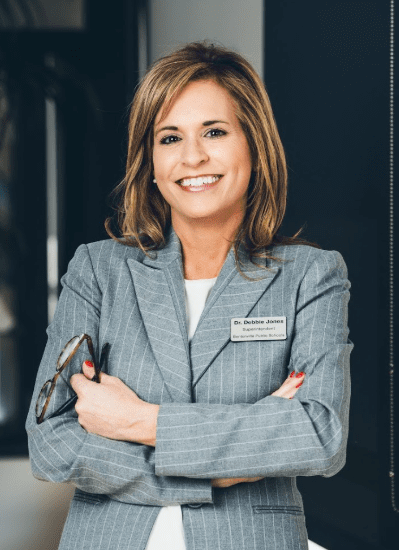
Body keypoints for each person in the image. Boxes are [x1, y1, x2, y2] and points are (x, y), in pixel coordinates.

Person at [26, 43, 352, 550]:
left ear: (254, 145)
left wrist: (138, 421)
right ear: (150, 162)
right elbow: (50, 441)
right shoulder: (98, 270)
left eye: (215, 132)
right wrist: (220, 467)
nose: (192, 157)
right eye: (170, 137)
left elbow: (317, 433)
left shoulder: (310, 276)